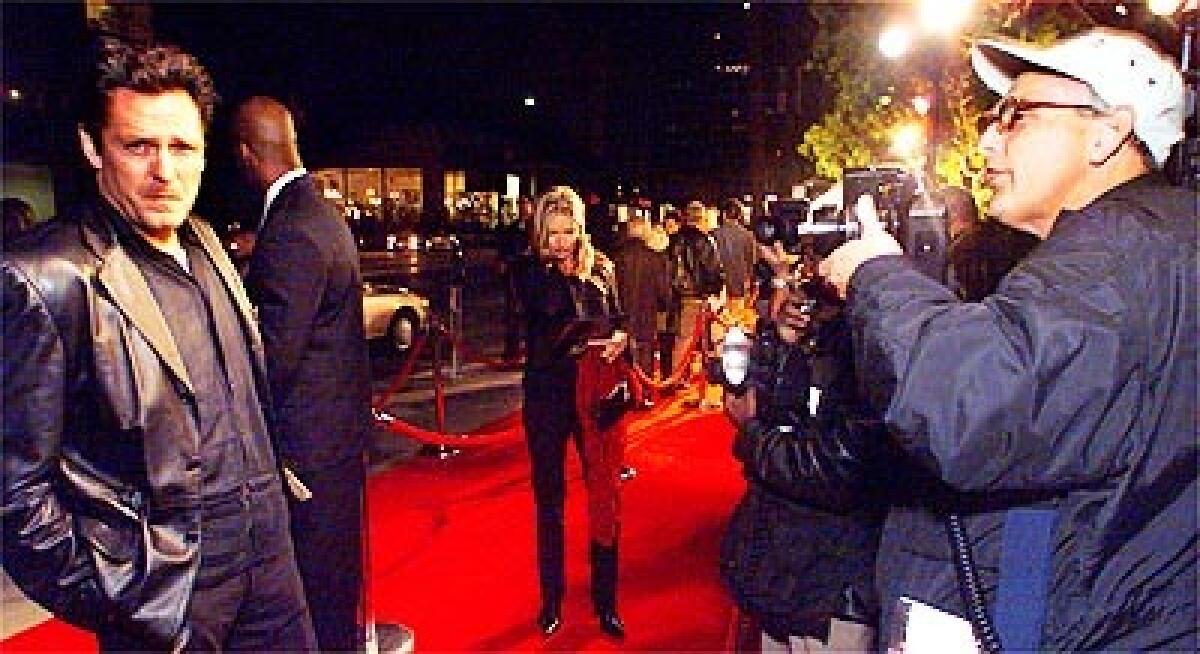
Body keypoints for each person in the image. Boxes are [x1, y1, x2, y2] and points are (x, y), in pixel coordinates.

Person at [819, 28, 1196, 650]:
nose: (989, 137)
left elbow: (970, 402)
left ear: (1106, 134)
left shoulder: (1124, 250)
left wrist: (873, 276)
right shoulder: (1140, 243)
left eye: (1018, 115)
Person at [1, 38, 316, 651]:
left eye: (182, 147)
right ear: (94, 148)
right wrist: (122, 598)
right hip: (170, 591)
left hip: (272, 566)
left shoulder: (205, 241)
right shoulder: (44, 277)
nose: (164, 170)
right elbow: (14, 497)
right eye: (138, 146)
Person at [234, 96, 371, 652]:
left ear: (246, 156)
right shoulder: (321, 214)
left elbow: (273, 360)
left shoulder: (289, 230)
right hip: (335, 446)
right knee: (335, 591)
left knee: (315, 599)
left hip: (306, 457)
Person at [721, 241, 884, 653]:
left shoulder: (878, 343)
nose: (814, 270)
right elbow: (780, 409)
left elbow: (836, 470)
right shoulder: (820, 329)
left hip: (834, 588)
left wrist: (751, 434)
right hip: (783, 566)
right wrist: (781, 343)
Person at [517, 186, 630, 640]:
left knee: (604, 495)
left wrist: (621, 338)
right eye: (553, 232)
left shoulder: (602, 265)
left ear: (580, 228)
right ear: (541, 232)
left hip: (597, 393)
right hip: (548, 395)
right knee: (550, 502)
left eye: (568, 231)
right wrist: (566, 275)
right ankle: (551, 599)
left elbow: (619, 318)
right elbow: (549, 316)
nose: (562, 241)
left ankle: (607, 601)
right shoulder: (529, 271)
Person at [667, 200, 725, 404]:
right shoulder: (704, 240)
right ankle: (709, 387)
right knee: (710, 342)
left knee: (683, 339)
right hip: (701, 296)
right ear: (701, 218)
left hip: (680, 295)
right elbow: (713, 269)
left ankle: (676, 378)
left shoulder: (674, 240)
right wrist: (716, 290)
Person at [611, 213, 671, 398]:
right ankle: (644, 394)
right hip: (647, 312)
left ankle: (628, 392)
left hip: (622, 315)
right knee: (645, 352)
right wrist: (664, 305)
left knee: (624, 355)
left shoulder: (617, 257)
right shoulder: (654, 258)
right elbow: (663, 290)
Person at [710, 198, 757, 320]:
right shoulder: (748, 235)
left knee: (719, 323)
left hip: (720, 287)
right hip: (740, 285)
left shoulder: (713, 234)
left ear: (724, 214)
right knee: (737, 320)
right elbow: (751, 263)